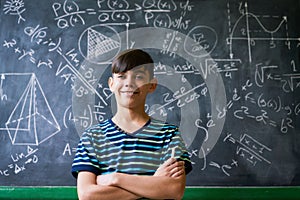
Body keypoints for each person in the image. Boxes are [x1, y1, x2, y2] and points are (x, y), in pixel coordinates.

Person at [71, 49, 192, 200]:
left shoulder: (169, 135)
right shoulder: (92, 137)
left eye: (139, 76)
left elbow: (174, 190)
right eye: (122, 76)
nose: (129, 83)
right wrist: (153, 183)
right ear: (111, 84)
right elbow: (87, 195)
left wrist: (115, 178)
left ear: (152, 85)